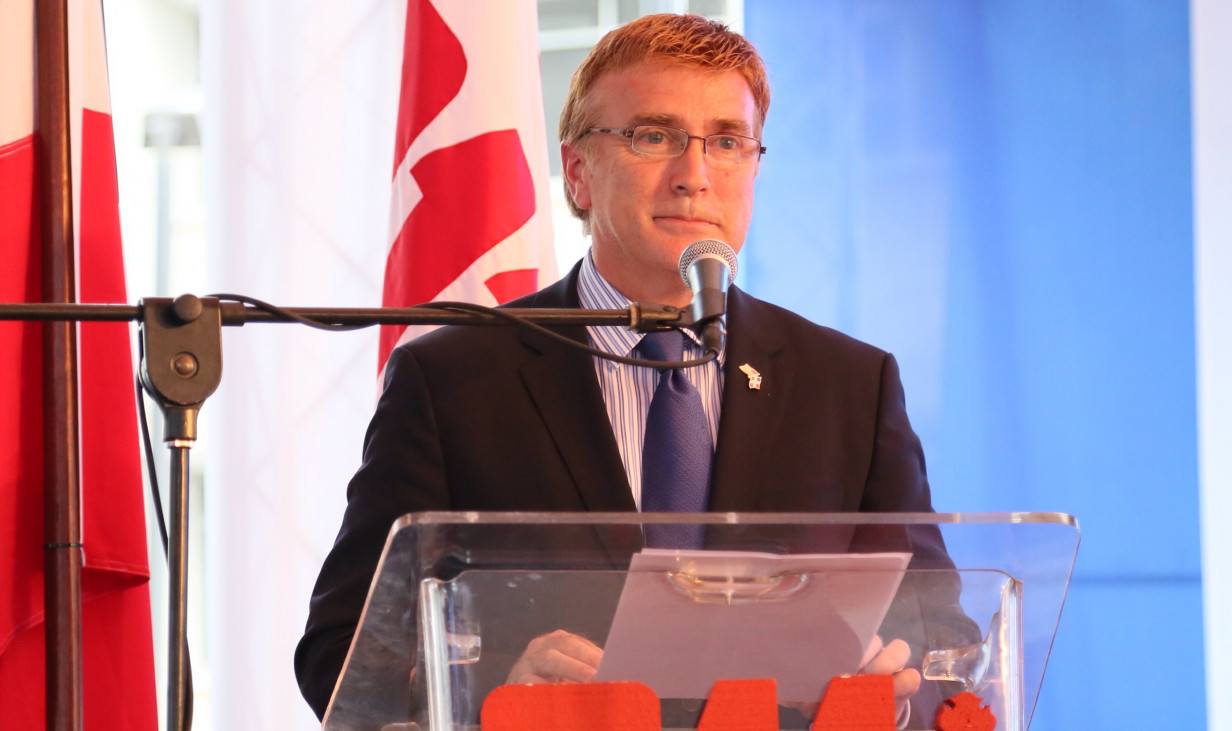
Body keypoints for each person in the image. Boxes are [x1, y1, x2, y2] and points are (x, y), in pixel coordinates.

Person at [296, 13, 962, 728]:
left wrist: (892, 691)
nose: (694, 176)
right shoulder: (453, 381)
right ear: (578, 173)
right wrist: (496, 696)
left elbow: (943, 640)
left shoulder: (848, 386)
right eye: (653, 136)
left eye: (727, 142)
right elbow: (344, 654)